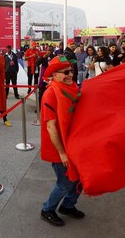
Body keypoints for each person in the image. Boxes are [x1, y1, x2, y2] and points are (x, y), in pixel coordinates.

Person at [40, 55, 84, 226]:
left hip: (74, 143)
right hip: (59, 148)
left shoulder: (73, 88)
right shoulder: (50, 94)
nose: (70, 74)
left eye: (71, 71)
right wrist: (62, 153)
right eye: (65, 72)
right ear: (55, 75)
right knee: (65, 182)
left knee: (79, 178)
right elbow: (51, 127)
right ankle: (47, 209)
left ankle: (68, 205)